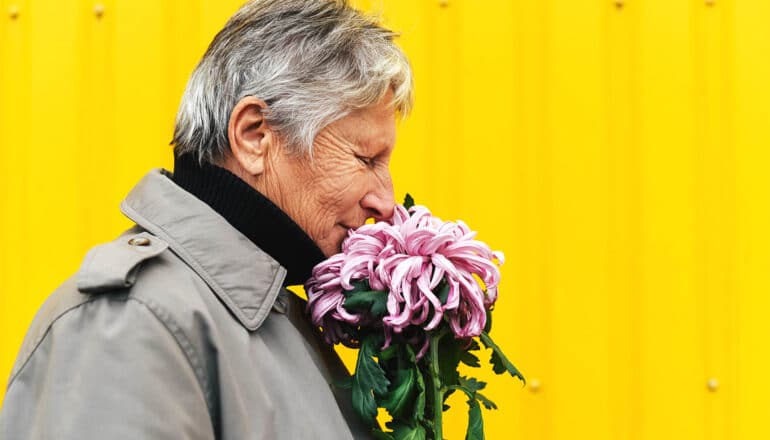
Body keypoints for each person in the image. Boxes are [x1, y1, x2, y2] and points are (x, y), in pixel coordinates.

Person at [0, 0, 413, 438]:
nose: (386, 203)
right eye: (365, 158)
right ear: (254, 135)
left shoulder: (271, 313)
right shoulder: (129, 324)